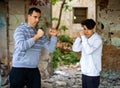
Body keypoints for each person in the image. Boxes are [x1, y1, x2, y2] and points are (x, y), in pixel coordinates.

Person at [9, 7, 58, 88]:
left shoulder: (39, 32)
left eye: (39, 17)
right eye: (35, 17)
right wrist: (37, 36)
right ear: (29, 16)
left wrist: (54, 36)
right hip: (18, 68)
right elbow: (22, 46)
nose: (37, 20)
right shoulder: (20, 30)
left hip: (33, 69)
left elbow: (51, 48)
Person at [72, 19, 103, 88]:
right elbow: (75, 49)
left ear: (94, 29)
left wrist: (83, 37)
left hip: (93, 73)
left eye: (89, 29)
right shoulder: (85, 39)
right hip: (84, 72)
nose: (86, 31)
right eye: (84, 29)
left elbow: (88, 51)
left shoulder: (97, 40)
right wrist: (78, 38)